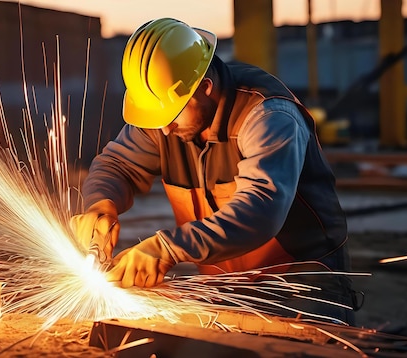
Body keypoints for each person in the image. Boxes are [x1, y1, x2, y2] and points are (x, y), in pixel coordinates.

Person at [71, 18, 357, 325]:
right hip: (225, 287)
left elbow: (260, 210)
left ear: (205, 87)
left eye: (171, 116)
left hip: (300, 284)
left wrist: (168, 247)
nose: (164, 129)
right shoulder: (164, 117)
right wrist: (101, 204)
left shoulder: (269, 116)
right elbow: (116, 164)